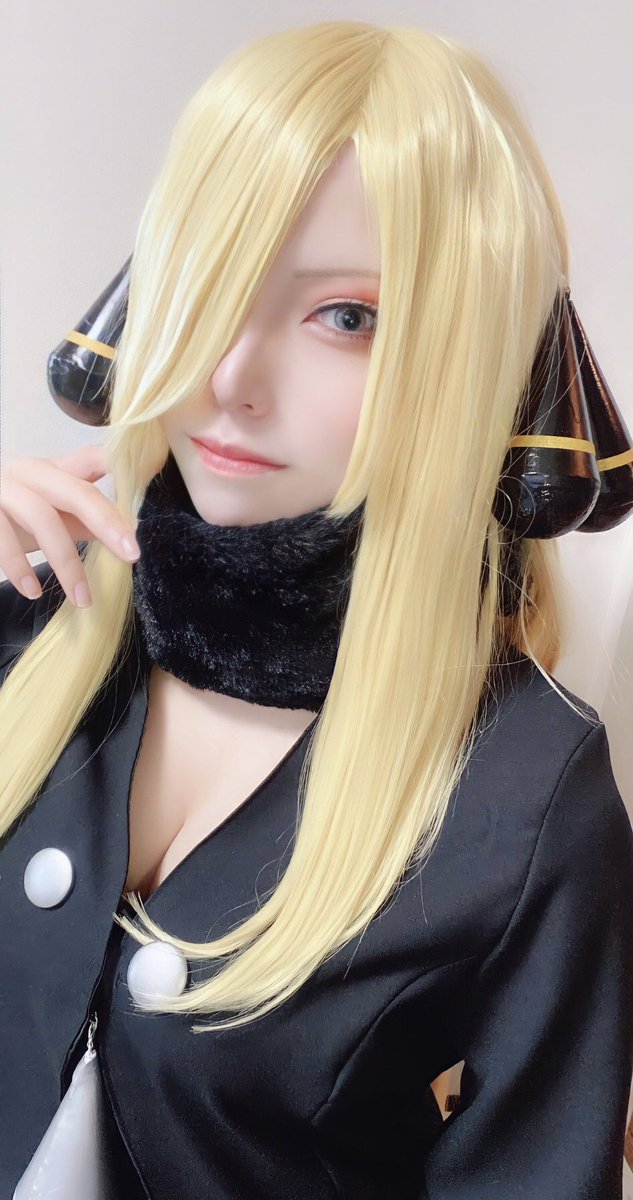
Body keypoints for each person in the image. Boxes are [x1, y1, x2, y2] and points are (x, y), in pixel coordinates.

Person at [1, 19, 632, 1200]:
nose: (228, 378)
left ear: (462, 362)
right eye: (209, 283)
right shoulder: (34, 612)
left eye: (348, 316)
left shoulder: (531, 791)